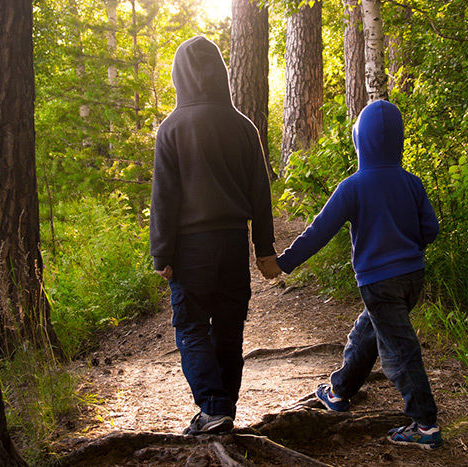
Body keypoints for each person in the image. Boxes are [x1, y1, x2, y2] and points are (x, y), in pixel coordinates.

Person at [260, 100, 442, 450]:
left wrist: (284, 263)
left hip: (378, 281)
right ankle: (340, 390)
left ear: (361, 141)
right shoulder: (411, 183)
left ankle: (425, 423)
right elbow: (430, 229)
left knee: (400, 352)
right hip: (412, 278)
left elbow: (318, 232)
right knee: (368, 332)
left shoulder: (353, 186)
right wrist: (408, 247)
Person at [150, 36, 278, 435]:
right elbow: (261, 192)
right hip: (234, 242)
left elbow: (164, 197)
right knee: (229, 327)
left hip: (191, 248)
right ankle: (224, 409)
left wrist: (162, 253)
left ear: (179, 76)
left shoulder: (171, 128)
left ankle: (213, 407)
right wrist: (264, 248)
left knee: (191, 326)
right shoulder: (244, 126)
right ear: (221, 74)